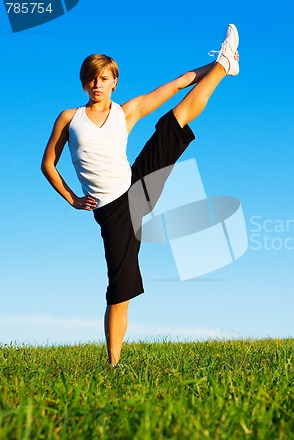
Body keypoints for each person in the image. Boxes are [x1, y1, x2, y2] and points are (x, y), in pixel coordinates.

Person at [41, 24, 240, 366]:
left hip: (136, 187)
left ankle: (224, 64)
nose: (97, 84)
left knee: (173, 121)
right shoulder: (69, 118)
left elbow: (178, 83)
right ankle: (114, 365)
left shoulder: (126, 111)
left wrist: (218, 63)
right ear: (84, 81)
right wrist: (72, 198)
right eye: (91, 78)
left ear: (114, 81)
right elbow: (48, 164)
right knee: (120, 289)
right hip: (111, 210)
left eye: (104, 79)